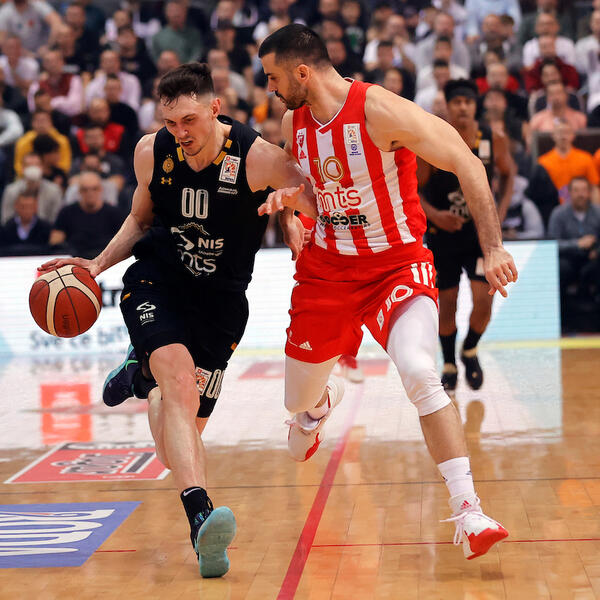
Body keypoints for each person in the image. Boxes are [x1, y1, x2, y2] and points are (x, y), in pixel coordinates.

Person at [39, 62, 316, 578]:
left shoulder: (255, 157)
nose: (180, 133)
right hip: (159, 281)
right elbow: (140, 218)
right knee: (180, 384)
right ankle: (201, 520)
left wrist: (291, 215)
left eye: (189, 120)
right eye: (171, 122)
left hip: (222, 304)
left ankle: (140, 377)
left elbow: (308, 190)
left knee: (173, 441)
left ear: (215, 108)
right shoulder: (152, 151)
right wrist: (96, 267)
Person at [258, 24, 516, 560]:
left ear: (301, 72)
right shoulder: (292, 122)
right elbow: (307, 189)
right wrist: (291, 212)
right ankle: (317, 405)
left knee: (421, 371)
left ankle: (469, 510)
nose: (271, 89)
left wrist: (492, 246)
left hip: (396, 266)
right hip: (326, 272)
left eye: (274, 78)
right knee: (295, 410)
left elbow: (467, 162)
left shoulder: (379, 110)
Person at [418, 79, 514, 393]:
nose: (462, 107)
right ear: (447, 105)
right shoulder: (433, 140)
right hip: (442, 236)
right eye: (456, 102)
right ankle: (448, 362)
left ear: (475, 106)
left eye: (468, 102)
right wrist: (435, 215)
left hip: (479, 237)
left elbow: (508, 173)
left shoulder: (492, 138)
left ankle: (470, 349)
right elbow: (413, 189)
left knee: (484, 301)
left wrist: (498, 213)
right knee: (447, 303)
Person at [49, 170, 123, 258]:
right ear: (79, 191)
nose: (90, 193)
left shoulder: (114, 213)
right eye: (85, 190)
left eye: (94, 189)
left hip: (105, 260)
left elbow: (122, 243)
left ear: (101, 189)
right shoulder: (66, 212)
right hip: (74, 259)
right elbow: (55, 242)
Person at [548, 177, 600, 303]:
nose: (580, 194)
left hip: (593, 258)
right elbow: (551, 244)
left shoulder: (598, 212)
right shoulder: (558, 213)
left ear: (589, 193)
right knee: (560, 268)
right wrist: (577, 244)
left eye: (583, 190)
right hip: (567, 258)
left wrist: (597, 251)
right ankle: (561, 306)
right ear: (569, 192)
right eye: (576, 190)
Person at [0, 190, 51, 255]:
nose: (27, 210)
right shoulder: (6, 228)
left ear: (36, 207)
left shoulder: (46, 228)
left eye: (30, 207)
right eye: (23, 207)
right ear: (16, 207)